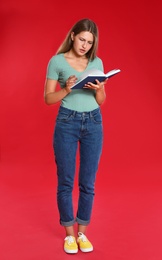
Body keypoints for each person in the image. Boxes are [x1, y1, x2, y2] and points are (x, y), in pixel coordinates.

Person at [44, 18, 107, 254]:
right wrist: (68, 88)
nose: (84, 46)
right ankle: (69, 234)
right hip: (67, 122)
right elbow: (48, 99)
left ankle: (82, 233)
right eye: (82, 39)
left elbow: (101, 101)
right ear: (73, 36)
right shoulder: (57, 61)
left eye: (89, 42)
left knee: (88, 183)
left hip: (93, 122)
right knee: (66, 181)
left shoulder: (96, 62)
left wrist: (99, 88)